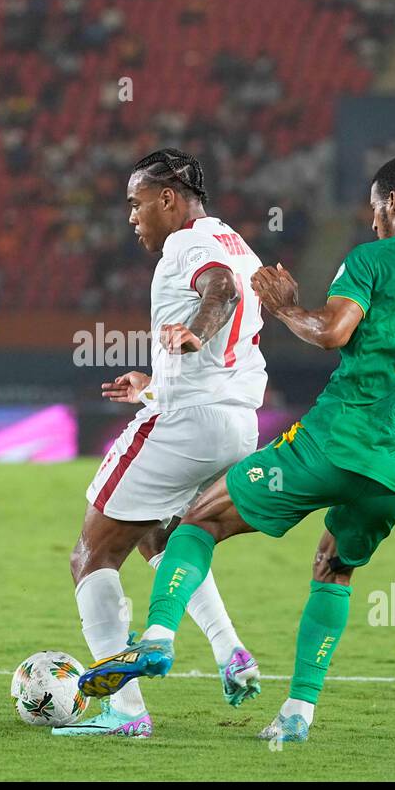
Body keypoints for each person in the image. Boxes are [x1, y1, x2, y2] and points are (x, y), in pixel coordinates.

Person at [78, 155, 395, 743]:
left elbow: (331, 333)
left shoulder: (373, 259)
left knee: (198, 523)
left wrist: (287, 305)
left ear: (391, 202)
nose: (370, 220)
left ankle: (158, 639)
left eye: (373, 208)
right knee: (334, 570)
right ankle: (296, 716)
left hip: (331, 444)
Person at [57, 149, 264, 738]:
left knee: (91, 555)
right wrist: (154, 386)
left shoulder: (188, 244)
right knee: (161, 535)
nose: (132, 217)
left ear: (168, 198)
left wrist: (194, 335)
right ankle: (231, 652)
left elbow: (217, 291)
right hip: (236, 423)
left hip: (191, 424)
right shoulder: (235, 241)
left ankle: (124, 711)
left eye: (136, 203)